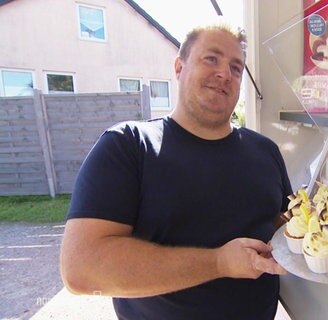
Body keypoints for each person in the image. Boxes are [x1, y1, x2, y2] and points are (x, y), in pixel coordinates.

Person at [60, 21, 292, 320]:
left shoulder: (266, 151)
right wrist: (219, 262)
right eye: (211, 58)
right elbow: (82, 270)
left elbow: (283, 223)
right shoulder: (128, 146)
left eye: (236, 68)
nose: (224, 73)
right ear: (179, 67)